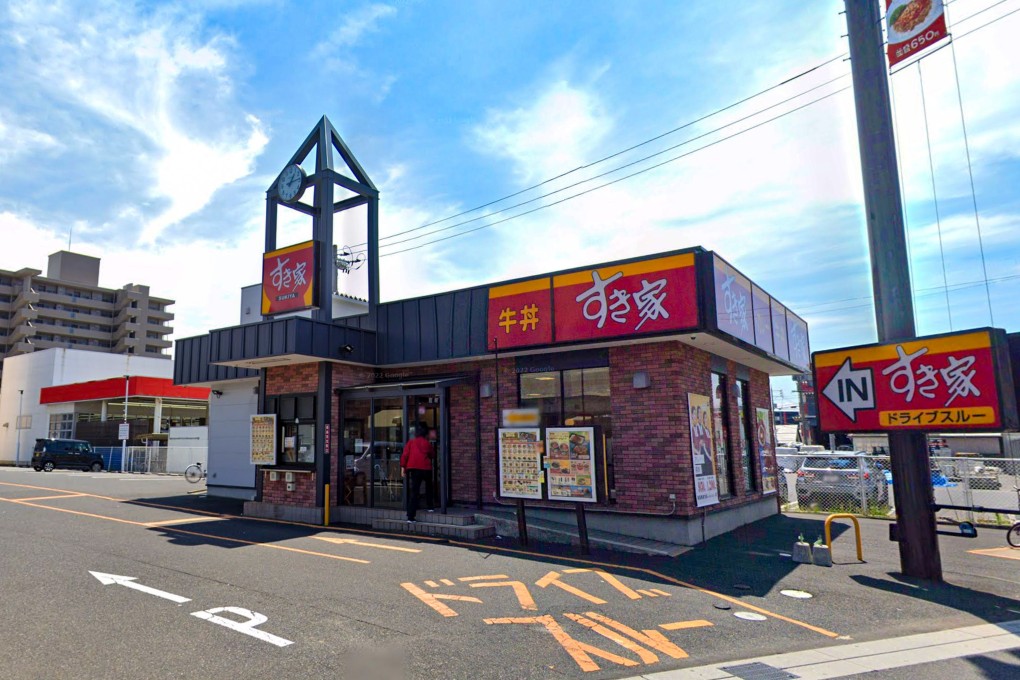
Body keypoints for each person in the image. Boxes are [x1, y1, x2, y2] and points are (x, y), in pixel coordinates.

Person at [400, 422, 433, 523]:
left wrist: (403, 468)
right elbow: (432, 454)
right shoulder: (427, 443)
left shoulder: (411, 442)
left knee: (414, 491)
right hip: (426, 468)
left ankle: (410, 516)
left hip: (413, 468)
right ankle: (430, 506)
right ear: (425, 434)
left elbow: (405, 455)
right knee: (429, 487)